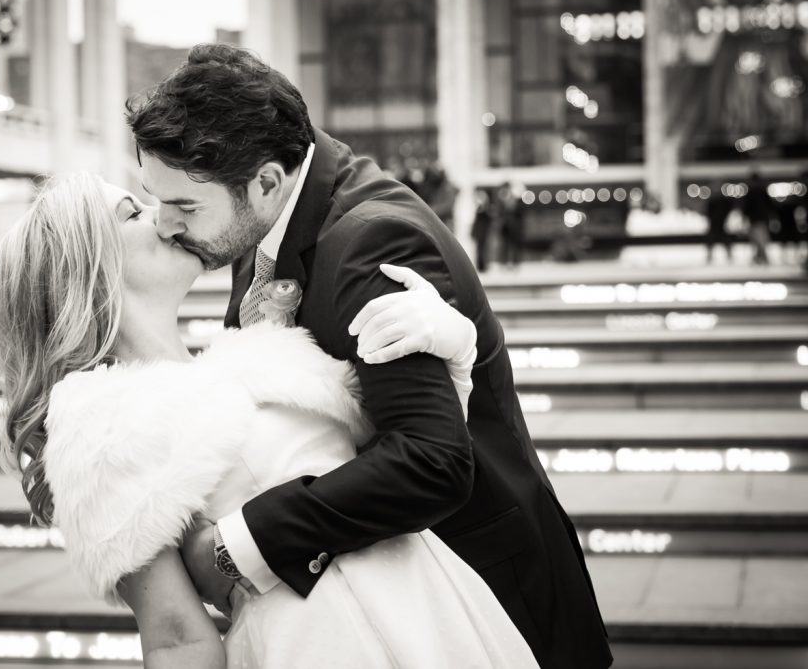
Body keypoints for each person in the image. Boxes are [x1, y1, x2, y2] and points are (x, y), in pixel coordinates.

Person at [129, 44, 611, 669]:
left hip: (478, 601)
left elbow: (431, 462)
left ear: (267, 182)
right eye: (156, 199)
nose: (164, 224)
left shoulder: (372, 242)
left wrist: (235, 546)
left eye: (185, 207)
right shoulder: (262, 219)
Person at [0, 172, 538, 668]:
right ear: (85, 271)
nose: (166, 217)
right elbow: (176, 640)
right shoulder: (97, 424)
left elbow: (404, 461)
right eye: (132, 212)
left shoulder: (256, 350)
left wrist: (457, 352)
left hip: (436, 612)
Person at [744, 172, 773, 265]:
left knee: (759, 239)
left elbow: (747, 208)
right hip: (760, 219)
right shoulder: (762, 192)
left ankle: (762, 257)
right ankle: (760, 257)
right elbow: (770, 206)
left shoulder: (754, 193)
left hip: (757, 219)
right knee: (759, 239)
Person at [493, 181, 523, 268]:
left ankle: (514, 263)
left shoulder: (514, 197)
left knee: (513, 245)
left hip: (513, 227)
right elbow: (499, 213)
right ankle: (504, 263)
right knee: (504, 245)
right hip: (505, 227)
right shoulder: (501, 199)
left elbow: (516, 211)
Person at [704, 181, 733, 263]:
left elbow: (727, 209)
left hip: (720, 222)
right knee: (713, 239)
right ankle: (710, 255)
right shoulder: (714, 200)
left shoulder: (721, 200)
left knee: (721, 238)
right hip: (715, 222)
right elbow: (708, 211)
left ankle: (728, 254)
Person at [470, 187, 494, 271]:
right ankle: (481, 266)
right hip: (480, 233)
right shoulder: (481, 210)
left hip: (482, 233)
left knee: (482, 249)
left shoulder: (484, 211)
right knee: (480, 249)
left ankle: (482, 265)